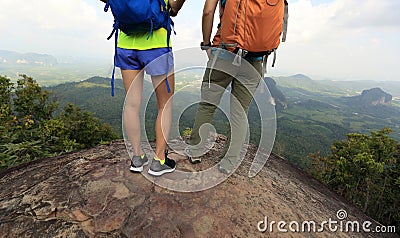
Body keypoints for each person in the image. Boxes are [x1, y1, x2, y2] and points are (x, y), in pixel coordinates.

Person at [103, 0, 185, 176]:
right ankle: (159, 161)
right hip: (156, 43)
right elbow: (174, 6)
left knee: (132, 104)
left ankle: (137, 157)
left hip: (126, 44)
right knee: (164, 103)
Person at [186, 0, 264, 174]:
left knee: (207, 105)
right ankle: (229, 162)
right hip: (255, 60)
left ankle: (196, 151)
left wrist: (206, 44)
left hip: (225, 53)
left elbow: (208, 12)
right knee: (240, 111)